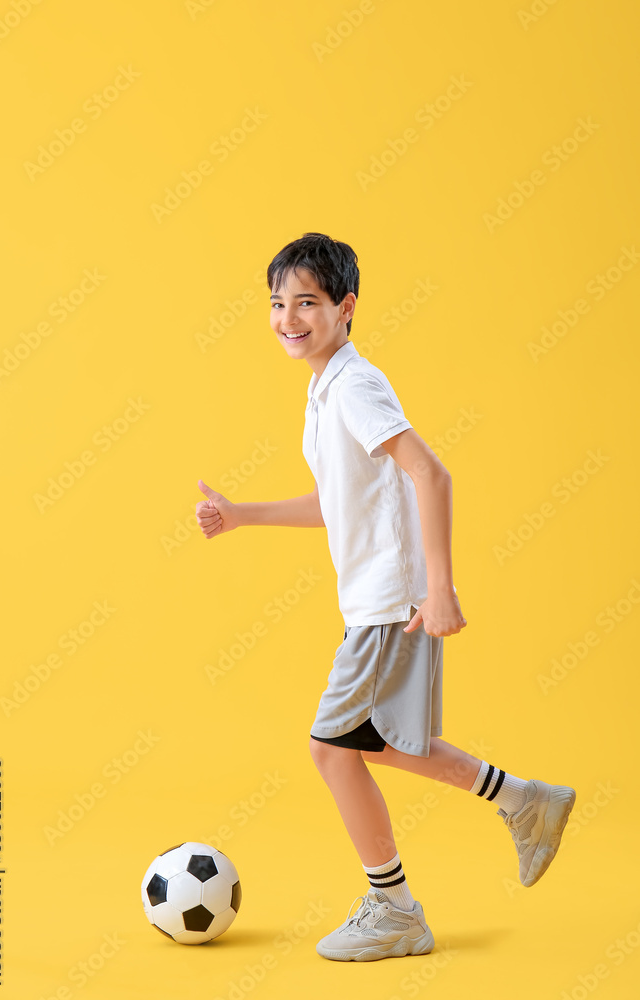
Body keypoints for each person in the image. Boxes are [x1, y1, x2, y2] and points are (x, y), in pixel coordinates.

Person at [195, 232, 576, 963]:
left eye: (307, 302)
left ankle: (395, 908)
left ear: (345, 308)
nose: (288, 318)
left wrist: (438, 590)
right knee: (383, 744)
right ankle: (525, 801)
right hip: (377, 600)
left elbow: (431, 475)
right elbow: (340, 501)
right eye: (277, 303)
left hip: (389, 603)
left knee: (331, 751)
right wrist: (244, 514)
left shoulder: (357, 385)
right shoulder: (326, 387)